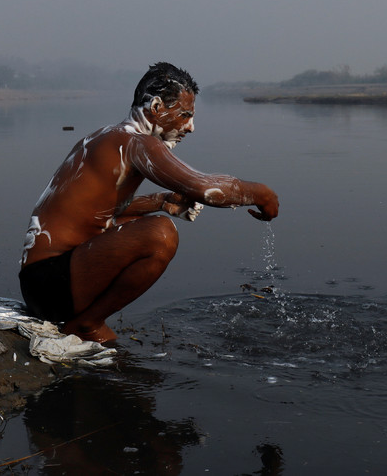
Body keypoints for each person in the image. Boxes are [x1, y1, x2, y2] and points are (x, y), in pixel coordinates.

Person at [20, 62, 280, 343]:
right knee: (161, 235)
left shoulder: (104, 136)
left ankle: (84, 319)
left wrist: (161, 201)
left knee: (149, 224)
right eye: (184, 115)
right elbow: (205, 188)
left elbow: (95, 214)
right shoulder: (138, 143)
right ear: (156, 108)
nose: (190, 127)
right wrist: (262, 194)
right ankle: (86, 324)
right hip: (52, 284)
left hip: (39, 283)